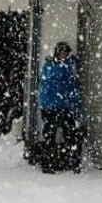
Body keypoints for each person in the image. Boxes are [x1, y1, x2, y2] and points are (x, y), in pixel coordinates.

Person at [36, 41, 83, 173]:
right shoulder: (51, 66)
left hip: (64, 107)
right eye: (63, 53)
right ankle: (47, 165)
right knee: (50, 137)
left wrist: (76, 106)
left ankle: (73, 164)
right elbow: (58, 85)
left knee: (70, 135)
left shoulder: (65, 66)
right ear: (58, 52)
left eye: (67, 53)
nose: (65, 55)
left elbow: (71, 89)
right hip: (51, 108)